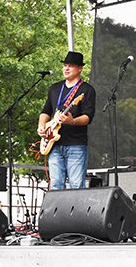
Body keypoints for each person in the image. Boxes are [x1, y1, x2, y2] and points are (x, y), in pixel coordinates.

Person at [37, 51, 96, 190]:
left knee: (76, 185)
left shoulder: (86, 90)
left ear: (80, 68)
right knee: (56, 184)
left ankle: (77, 212)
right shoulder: (55, 88)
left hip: (76, 144)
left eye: (70, 66)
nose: (66, 68)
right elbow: (45, 111)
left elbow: (88, 117)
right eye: (65, 65)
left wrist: (72, 121)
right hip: (54, 144)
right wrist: (41, 126)